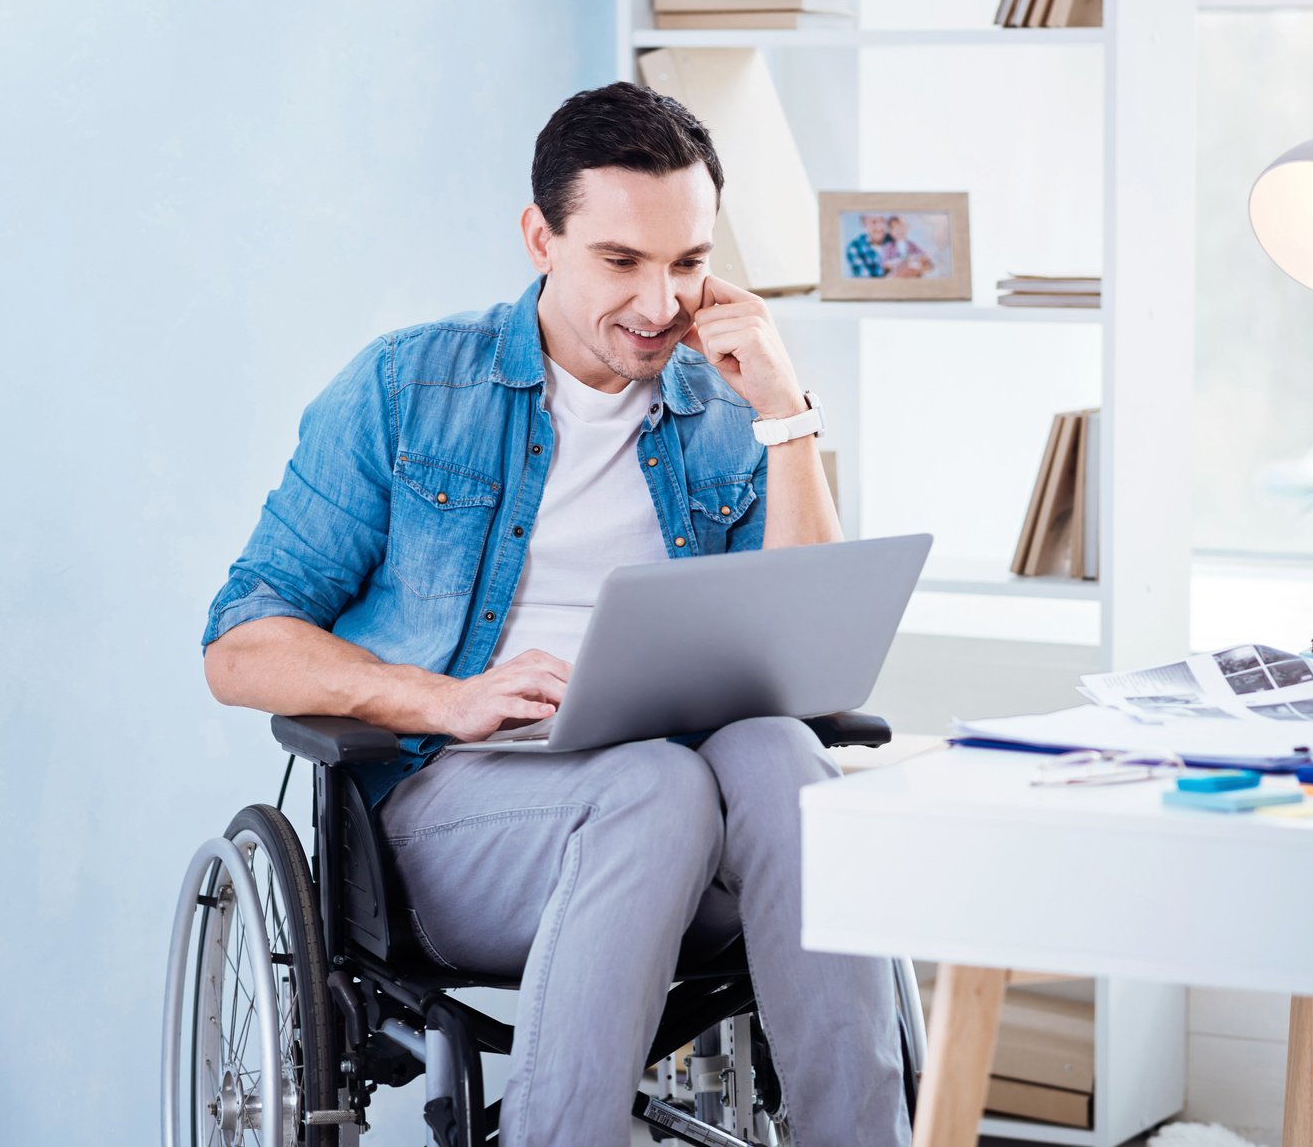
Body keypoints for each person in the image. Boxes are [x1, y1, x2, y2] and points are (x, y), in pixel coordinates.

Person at [199, 81, 909, 1146]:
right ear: (542, 236)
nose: (661, 301)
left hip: (697, 830)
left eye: (687, 262)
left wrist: (784, 414)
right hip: (459, 829)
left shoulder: (723, 410)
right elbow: (240, 645)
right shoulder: (406, 388)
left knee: (782, 756)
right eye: (620, 262)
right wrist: (442, 696)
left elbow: (798, 663)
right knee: (655, 782)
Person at [880, 215, 935, 279]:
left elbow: (925, 256)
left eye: (902, 227)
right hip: (896, 274)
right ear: (891, 232)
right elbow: (885, 264)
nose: (899, 230)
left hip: (913, 274)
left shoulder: (912, 245)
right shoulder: (889, 246)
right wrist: (902, 261)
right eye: (895, 228)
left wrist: (917, 258)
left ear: (907, 228)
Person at [844, 212, 890, 277]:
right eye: (873, 222)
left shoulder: (894, 240)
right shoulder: (855, 247)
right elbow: (865, 279)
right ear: (864, 224)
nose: (879, 226)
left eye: (882, 221)